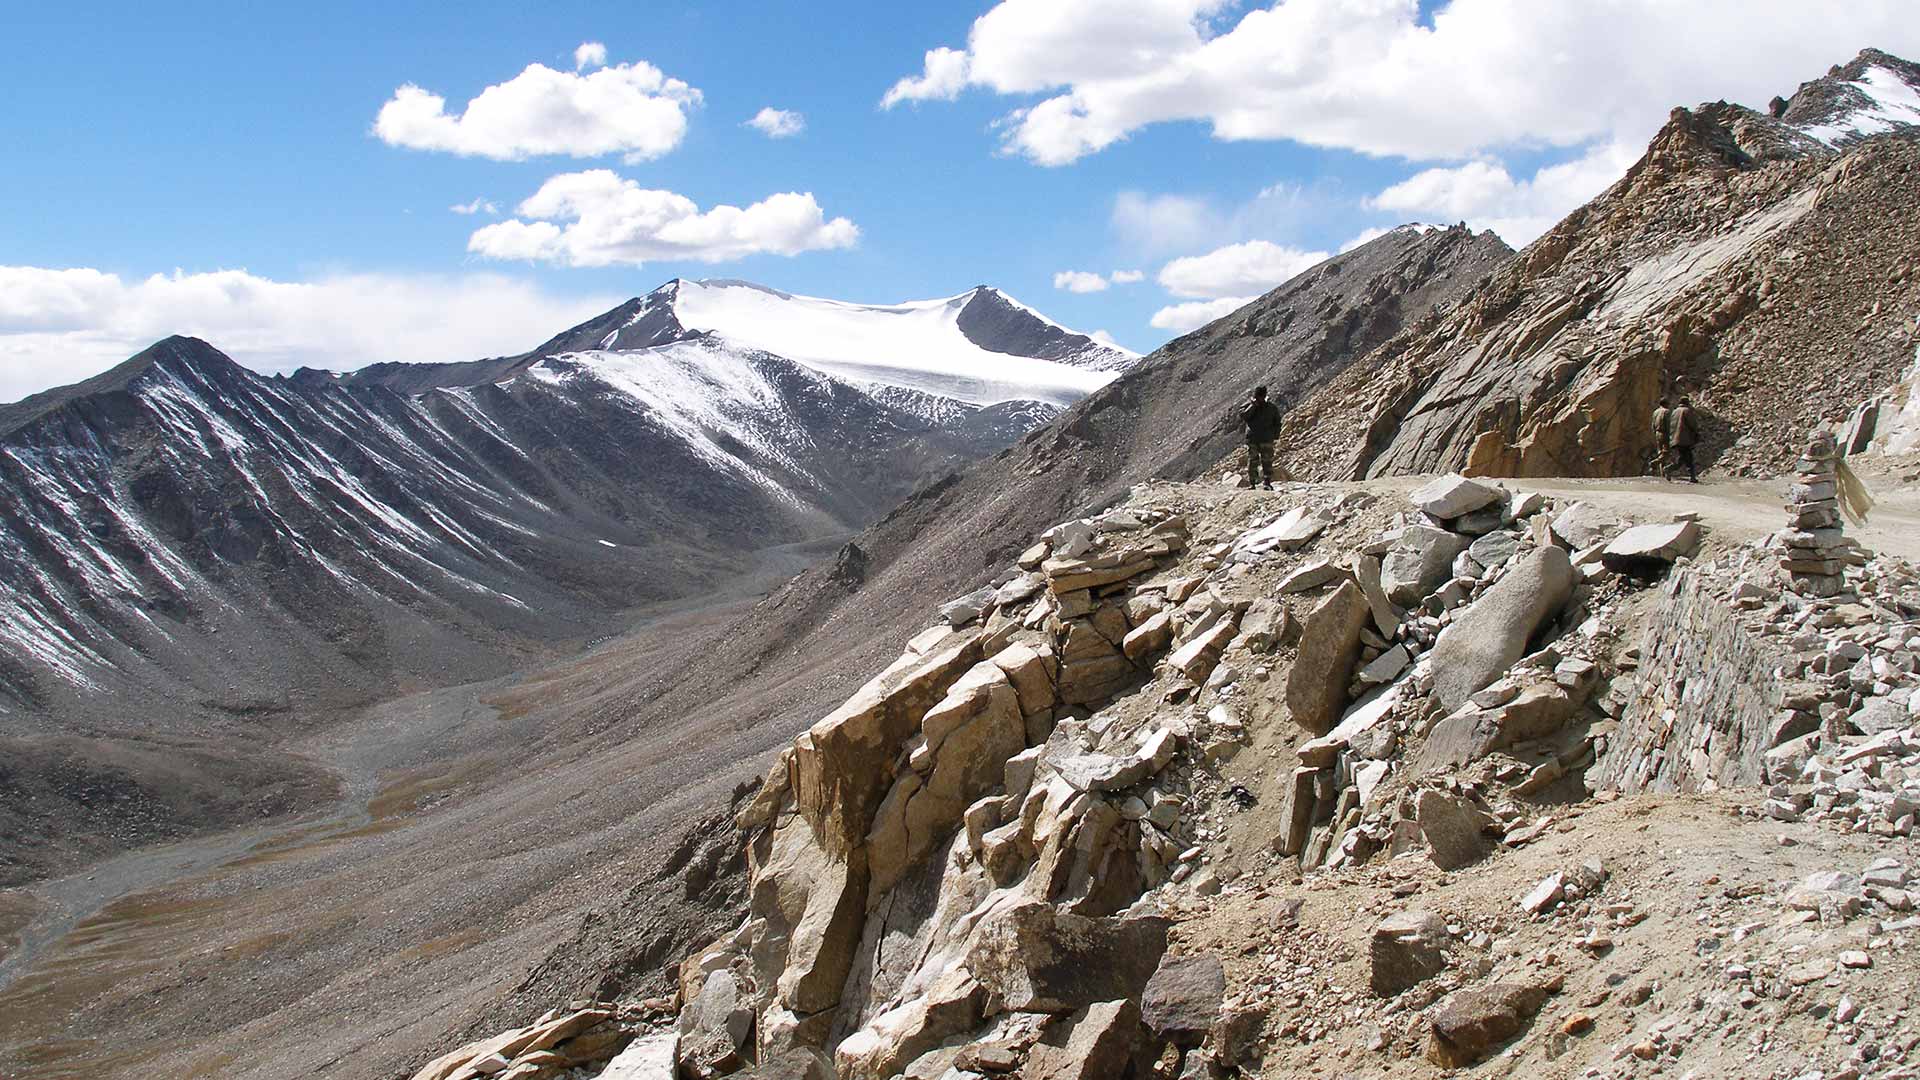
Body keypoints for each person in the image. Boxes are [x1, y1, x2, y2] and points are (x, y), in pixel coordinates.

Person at [1241, 385, 1282, 489]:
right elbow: (1244, 416)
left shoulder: (1270, 407)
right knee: (1255, 460)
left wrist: (1275, 435)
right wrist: (1253, 406)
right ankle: (1254, 483)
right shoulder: (1249, 406)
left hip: (1262, 438)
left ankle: (1265, 482)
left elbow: (1277, 422)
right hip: (1256, 438)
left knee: (1265, 460)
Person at [1664, 396, 1700, 483]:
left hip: (1675, 439)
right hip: (1685, 439)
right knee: (1688, 457)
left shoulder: (1674, 411)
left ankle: (1670, 469)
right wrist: (1696, 434)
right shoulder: (1686, 411)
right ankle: (1691, 476)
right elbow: (1693, 424)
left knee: (1682, 458)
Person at [1649, 397, 1671, 476]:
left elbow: (1653, 424)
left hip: (1657, 433)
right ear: (1666, 404)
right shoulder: (1667, 412)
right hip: (1665, 433)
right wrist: (1670, 435)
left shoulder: (1655, 412)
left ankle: (1662, 473)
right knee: (1666, 453)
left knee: (1660, 452)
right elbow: (1668, 424)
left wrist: (1655, 433)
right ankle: (1654, 463)